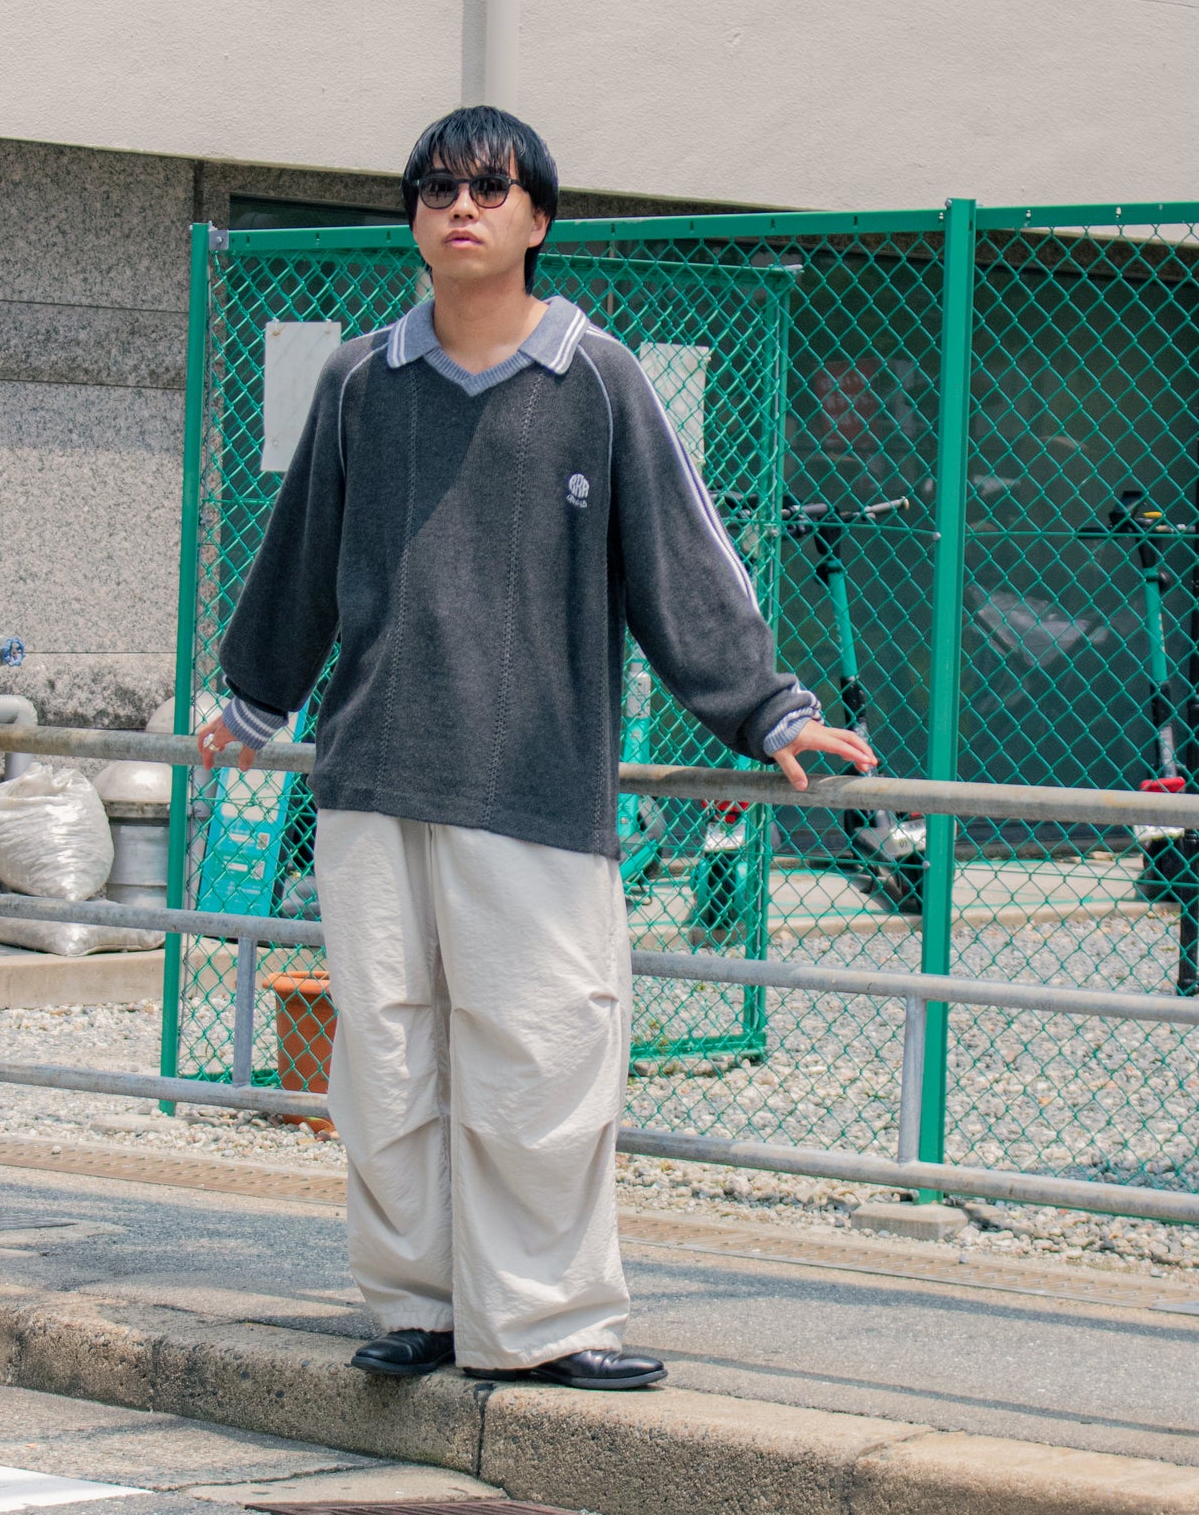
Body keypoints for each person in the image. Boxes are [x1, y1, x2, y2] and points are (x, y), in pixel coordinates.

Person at [199, 105, 876, 1390]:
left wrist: (764, 707)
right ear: (412, 219)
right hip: (371, 778)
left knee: (543, 1054)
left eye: (489, 189)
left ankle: (546, 1320)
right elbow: (297, 558)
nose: (461, 208)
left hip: (535, 784)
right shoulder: (357, 381)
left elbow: (680, 558)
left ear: (537, 219)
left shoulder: (597, 378)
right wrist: (252, 700)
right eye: (437, 189)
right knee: (385, 1062)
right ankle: (417, 1305)